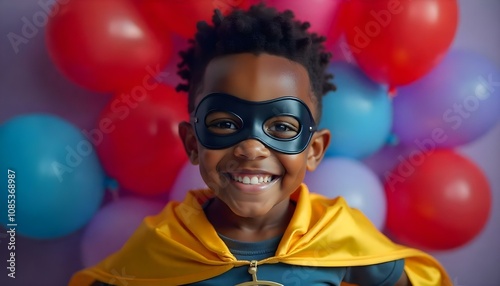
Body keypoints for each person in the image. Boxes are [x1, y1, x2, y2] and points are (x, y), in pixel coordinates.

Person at [70, 4, 451, 286]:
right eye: (224, 123)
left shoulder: (338, 235)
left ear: (314, 149)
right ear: (193, 143)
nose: (252, 148)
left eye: (282, 126)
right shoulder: (164, 244)